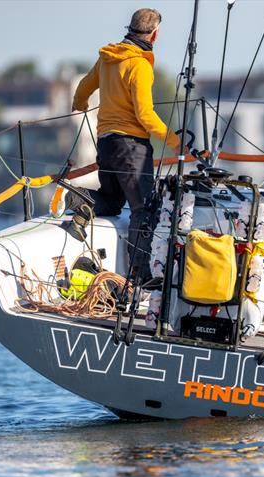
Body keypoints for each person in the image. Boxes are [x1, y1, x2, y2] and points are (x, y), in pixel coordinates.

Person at [67, 8, 180, 280]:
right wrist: (175, 142)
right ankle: (141, 276)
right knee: (143, 208)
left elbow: (83, 88)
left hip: (106, 143)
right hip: (131, 147)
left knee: (114, 200)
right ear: (155, 34)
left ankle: (82, 200)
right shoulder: (139, 64)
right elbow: (145, 115)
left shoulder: (108, 57)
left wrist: (79, 105)